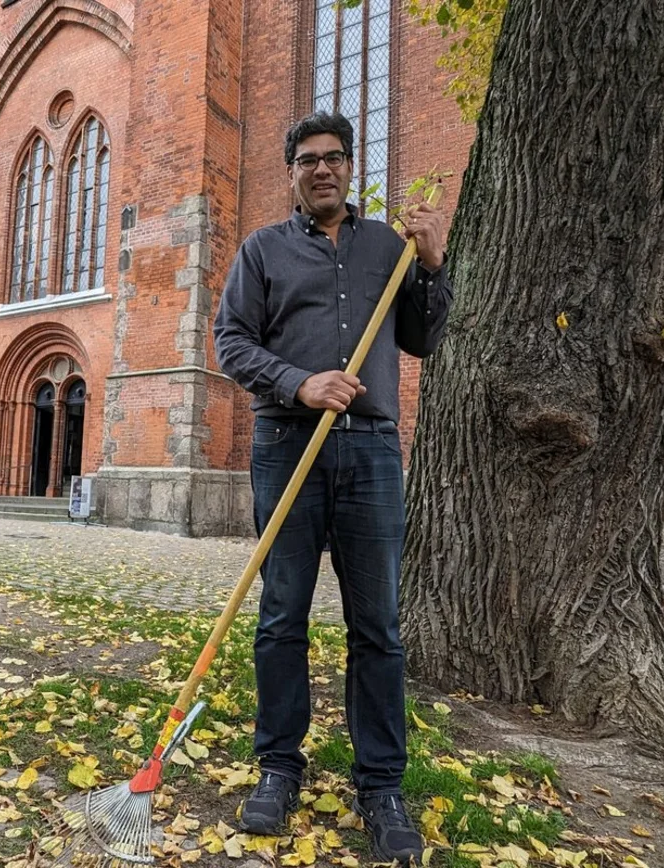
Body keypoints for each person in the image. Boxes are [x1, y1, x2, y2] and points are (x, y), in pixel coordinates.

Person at [212, 110, 452, 863]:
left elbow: (423, 338)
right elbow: (230, 341)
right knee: (281, 616)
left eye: (335, 158)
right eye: (309, 158)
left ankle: (381, 784)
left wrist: (435, 265)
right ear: (291, 171)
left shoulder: (389, 246)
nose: (322, 168)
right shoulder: (263, 250)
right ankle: (279, 768)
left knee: (377, 625)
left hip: (373, 452)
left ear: (351, 169)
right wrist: (299, 383)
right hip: (286, 445)